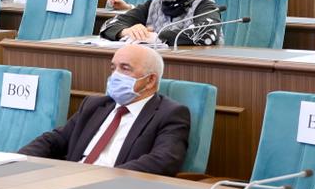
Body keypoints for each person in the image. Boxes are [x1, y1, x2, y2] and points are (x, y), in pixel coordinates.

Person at [18, 43, 190, 175]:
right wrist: (17, 160)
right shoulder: (95, 105)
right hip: (70, 179)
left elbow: (163, 161)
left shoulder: (170, 114)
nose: (115, 75)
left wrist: (104, 178)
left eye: (125, 68)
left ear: (150, 80)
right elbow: (55, 140)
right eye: (113, 68)